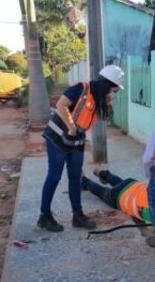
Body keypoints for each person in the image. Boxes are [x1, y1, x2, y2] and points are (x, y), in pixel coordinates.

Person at [37, 65, 125, 232]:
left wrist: (108, 104)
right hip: (57, 137)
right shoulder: (81, 89)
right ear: (107, 84)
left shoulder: (99, 97)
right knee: (54, 176)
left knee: (75, 177)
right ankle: (44, 216)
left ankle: (77, 215)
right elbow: (61, 105)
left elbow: (99, 119)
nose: (114, 93)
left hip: (76, 140)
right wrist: (70, 128)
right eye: (114, 90)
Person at [81, 169, 155, 234]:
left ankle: (104, 174)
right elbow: (152, 229)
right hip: (119, 197)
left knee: (121, 183)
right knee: (102, 192)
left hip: (133, 184)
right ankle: (84, 181)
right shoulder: (152, 214)